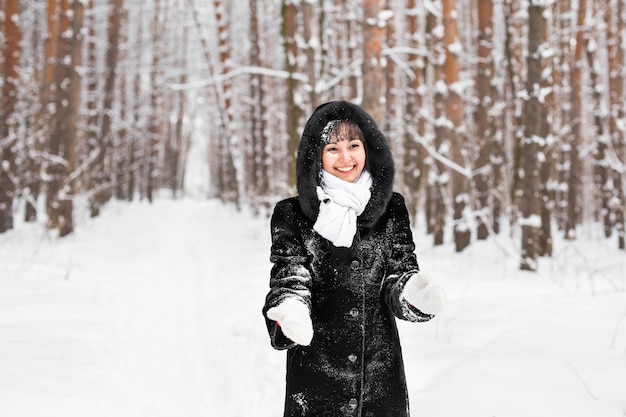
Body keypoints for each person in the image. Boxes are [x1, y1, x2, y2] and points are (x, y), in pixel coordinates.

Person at [262, 101, 446, 417]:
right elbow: (290, 276)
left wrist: (413, 293)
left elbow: (398, 274)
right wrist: (291, 310)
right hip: (319, 381)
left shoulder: (391, 209)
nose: (345, 158)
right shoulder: (292, 215)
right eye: (332, 148)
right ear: (315, 156)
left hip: (379, 380)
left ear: (368, 148)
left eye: (353, 145)